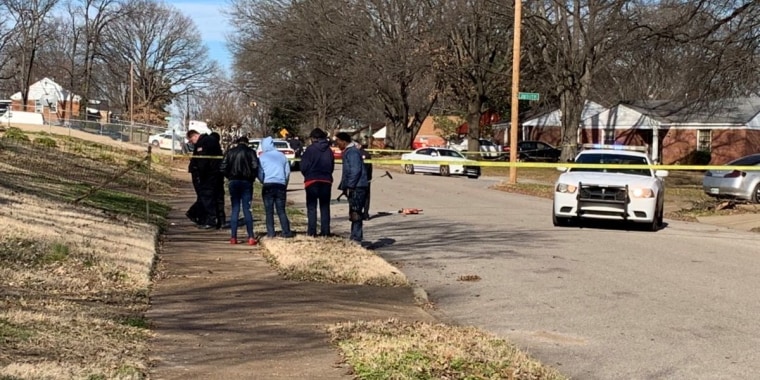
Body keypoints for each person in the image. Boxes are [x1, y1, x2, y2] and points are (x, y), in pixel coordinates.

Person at [220, 136, 259, 245]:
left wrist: (230, 176)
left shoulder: (230, 152)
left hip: (234, 182)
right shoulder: (251, 152)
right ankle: (251, 236)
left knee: (235, 209)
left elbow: (222, 167)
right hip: (247, 182)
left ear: (237, 143)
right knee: (247, 209)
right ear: (247, 143)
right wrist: (251, 178)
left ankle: (233, 237)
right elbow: (255, 167)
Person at [300, 128, 335, 237]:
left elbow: (303, 166)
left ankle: (312, 231)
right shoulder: (329, 150)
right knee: (325, 207)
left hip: (312, 180)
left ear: (313, 138)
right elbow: (332, 166)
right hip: (326, 180)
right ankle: (325, 231)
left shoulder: (310, 150)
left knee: (312, 207)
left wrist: (307, 174)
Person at [335, 132, 369, 243]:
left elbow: (355, 170)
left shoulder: (353, 152)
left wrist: (350, 185)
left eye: (338, 142)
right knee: (353, 213)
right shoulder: (349, 152)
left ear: (344, 141)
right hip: (355, 186)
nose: (337, 144)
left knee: (356, 213)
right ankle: (354, 236)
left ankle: (357, 239)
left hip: (357, 187)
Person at [186, 129, 223, 229]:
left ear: (194, 136)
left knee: (206, 197)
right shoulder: (212, 140)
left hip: (207, 175)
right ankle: (207, 218)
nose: (192, 143)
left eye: (191, 141)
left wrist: (200, 175)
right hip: (215, 173)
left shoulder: (203, 142)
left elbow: (202, 161)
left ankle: (209, 219)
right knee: (210, 197)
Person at [258, 137, 293, 238]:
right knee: (281, 210)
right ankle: (286, 232)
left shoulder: (262, 157)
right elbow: (287, 172)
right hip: (280, 185)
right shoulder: (282, 156)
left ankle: (271, 233)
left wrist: (263, 181)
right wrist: (284, 183)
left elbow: (260, 173)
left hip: (268, 185)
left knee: (269, 212)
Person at [210, 132, 226, 229]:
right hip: (219, 179)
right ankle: (221, 220)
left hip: (212, 179)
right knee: (220, 200)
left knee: (213, 200)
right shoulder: (219, 150)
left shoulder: (210, 150)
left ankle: (215, 220)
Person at [359, 140, 373, 220]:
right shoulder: (368, 154)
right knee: (367, 197)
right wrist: (370, 177)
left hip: (359, 179)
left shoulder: (356, 154)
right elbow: (370, 167)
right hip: (367, 179)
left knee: (360, 196)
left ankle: (359, 213)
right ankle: (366, 214)